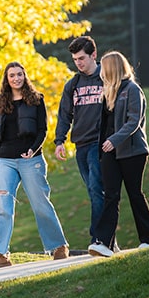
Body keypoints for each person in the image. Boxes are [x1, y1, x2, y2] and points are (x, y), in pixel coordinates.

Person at [0, 62, 70, 269]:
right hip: (6, 160)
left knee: (40, 203)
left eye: (19, 74)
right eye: (12, 75)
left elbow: (43, 130)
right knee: (3, 206)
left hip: (30, 160)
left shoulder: (36, 100)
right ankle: (1, 254)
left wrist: (33, 149)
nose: (16, 78)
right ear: (6, 79)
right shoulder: (0, 103)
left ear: (25, 76)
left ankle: (59, 246)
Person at [88, 51, 149, 257]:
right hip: (110, 152)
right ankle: (104, 243)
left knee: (135, 193)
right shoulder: (109, 91)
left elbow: (133, 121)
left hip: (132, 151)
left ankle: (148, 239)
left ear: (112, 68)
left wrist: (114, 140)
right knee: (111, 195)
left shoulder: (132, 89)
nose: (101, 71)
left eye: (104, 67)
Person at [54, 36, 104, 244]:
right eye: (75, 59)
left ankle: (100, 239)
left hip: (100, 143)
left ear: (93, 55)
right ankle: (108, 238)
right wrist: (59, 141)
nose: (79, 63)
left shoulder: (106, 77)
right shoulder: (73, 84)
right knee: (93, 192)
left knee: (96, 188)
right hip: (81, 145)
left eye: (82, 58)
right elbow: (64, 114)